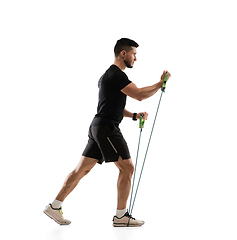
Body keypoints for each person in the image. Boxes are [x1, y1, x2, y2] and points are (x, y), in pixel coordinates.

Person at [43, 38, 171, 227]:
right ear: (123, 53)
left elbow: (111, 107)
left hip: (98, 126)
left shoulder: (106, 76)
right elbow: (139, 95)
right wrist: (160, 83)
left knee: (81, 170)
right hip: (107, 129)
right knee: (127, 168)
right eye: (134, 54)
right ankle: (121, 217)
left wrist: (134, 116)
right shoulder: (116, 75)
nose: (136, 58)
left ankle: (54, 206)